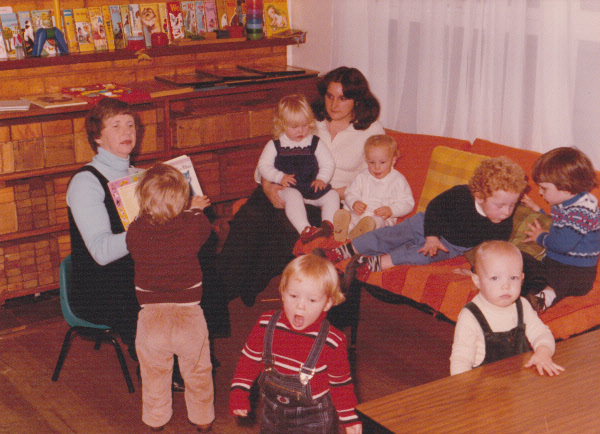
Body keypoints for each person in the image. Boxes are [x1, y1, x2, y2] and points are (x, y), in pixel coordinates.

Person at [217, 66, 385, 307]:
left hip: (326, 200)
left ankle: (247, 283)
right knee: (249, 217)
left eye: (343, 98)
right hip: (284, 187)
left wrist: (328, 191)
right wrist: (267, 187)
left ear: (357, 100)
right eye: (329, 96)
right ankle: (218, 291)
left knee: (284, 228)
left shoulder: (371, 131)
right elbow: (269, 158)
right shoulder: (309, 120)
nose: (334, 105)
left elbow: (372, 181)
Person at [315, 156, 528, 286]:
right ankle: (345, 250)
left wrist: (475, 272)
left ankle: (372, 263)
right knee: (390, 235)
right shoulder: (462, 195)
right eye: (500, 205)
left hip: (451, 246)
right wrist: (432, 236)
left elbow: (491, 251)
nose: (506, 212)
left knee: (419, 256)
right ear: (479, 196)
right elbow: (435, 208)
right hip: (427, 224)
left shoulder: (502, 223)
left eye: (513, 205)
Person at [229, 255, 362, 434]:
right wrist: (238, 392)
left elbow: (341, 384)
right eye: (293, 296)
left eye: (312, 300)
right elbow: (248, 361)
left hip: (313, 418)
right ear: (282, 292)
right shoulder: (265, 324)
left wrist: (349, 418)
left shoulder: (333, 341)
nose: (300, 306)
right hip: (273, 414)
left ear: (327, 303)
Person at [126, 163, 214, 431]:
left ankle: (156, 420)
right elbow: (201, 224)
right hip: (189, 315)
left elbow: (135, 236)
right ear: (182, 200)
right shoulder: (194, 226)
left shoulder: (135, 231)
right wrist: (196, 208)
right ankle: (202, 419)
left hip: (150, 317)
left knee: (154, 375)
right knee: (198, 372)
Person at [66, 97, 142, 358]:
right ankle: (157, 361)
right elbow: (100, 252)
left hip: (133, 270)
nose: (127, 132)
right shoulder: (86, 182)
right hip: (100, 286)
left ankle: (191, 352)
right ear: (97, 137)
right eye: (116, 126)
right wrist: (147, 232)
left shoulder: (140, 175)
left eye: (131, 125)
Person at [449, 241, 564, 376]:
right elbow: (461, 359)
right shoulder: (471, 315)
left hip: (520, 381)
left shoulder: (523, 305)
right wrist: (462, 390)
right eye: (495, 278)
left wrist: (543, 352)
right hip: (483, 388)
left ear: (522, 279)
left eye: (513, 278)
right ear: (477, 281)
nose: (506, 286)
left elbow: (541, 333)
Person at [521, 147, 600, 314]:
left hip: (577, 273)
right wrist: (538, 210)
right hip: (554, 264)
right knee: (519, 258)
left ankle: (542, 300)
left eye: (544, 188)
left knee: (558, 281)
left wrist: (540, 237)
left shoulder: (583, 210)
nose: (540, 193)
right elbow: (561, 224)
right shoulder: (565, 202)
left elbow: (562, 243)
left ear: (565, 187)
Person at [257, 94, 339, 244]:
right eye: (294, 127)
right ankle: (305, 230)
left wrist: (322, 178)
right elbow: (263, 166)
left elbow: (328, 163)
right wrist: (279, 177)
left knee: (332, 195)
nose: (301, 131)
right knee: (293, 195)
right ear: (282, 124)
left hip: (311, 187)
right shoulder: (275, 144)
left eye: (305, 125)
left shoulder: (315, 142)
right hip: (288, 188)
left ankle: (327, 226)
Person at [333, 134, 414, 241]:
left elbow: (407, 203)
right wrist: (354, 203)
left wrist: (391, 210)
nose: (376, 167)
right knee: (351, 218)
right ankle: (344, 231)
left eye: (382, 162)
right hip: (360, 214)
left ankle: (361, 234)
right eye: (371, 162)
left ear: (393, 161)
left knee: (376, 223)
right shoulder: (362, 176)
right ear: (367, 160)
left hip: (382, 218)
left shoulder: (398, 180)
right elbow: (350, 193)